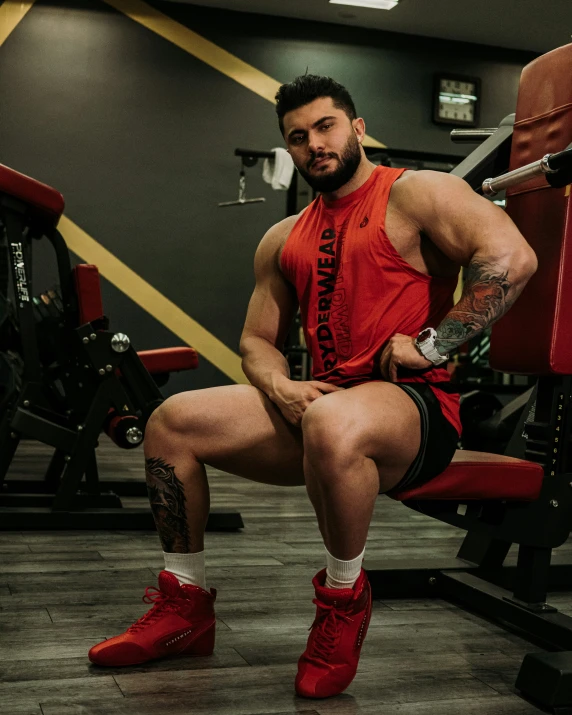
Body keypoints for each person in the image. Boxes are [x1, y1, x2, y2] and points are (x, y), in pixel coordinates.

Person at [88, 75, 537, 698]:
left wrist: (432, 344)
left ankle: (343, 601)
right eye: (297, 137)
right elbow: (257, 342)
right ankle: (185, 604)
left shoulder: (418, 194)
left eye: (325, 127)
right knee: (172, 421)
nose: (313, 144)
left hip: (416, 409)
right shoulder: (283, 236)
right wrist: (282, 387)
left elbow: (512, 260)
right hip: (325, 404)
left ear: (356, 128)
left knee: (333, 421)